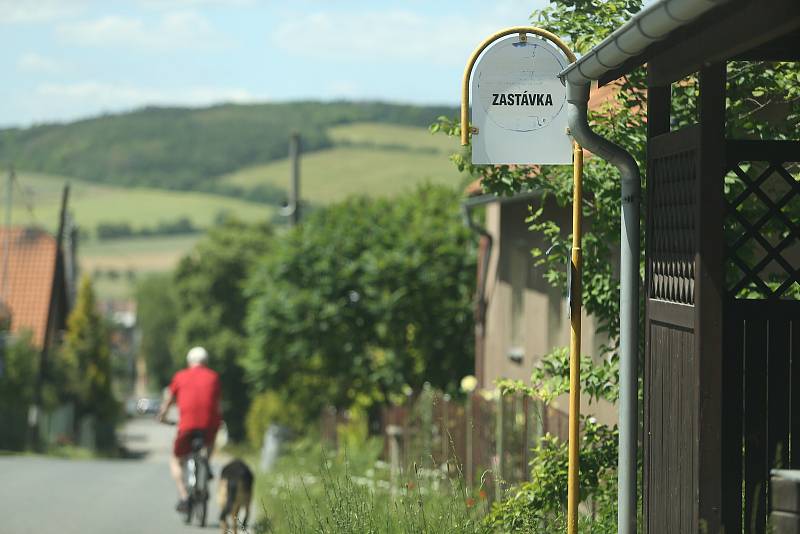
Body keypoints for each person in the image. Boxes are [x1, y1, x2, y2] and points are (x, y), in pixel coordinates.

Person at [158, 346, 222, 512]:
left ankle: (184, 496)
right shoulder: (214, 377)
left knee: (175, 459)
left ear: (189, 362)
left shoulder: (180, 376)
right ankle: (206, 461)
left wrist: (162, 417)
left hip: (186, 426)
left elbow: (168, 401)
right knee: (212, 434)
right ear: (206, 362)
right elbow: (217, 404)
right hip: (208, 427)